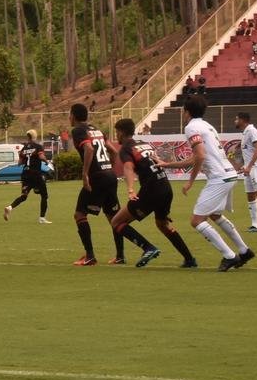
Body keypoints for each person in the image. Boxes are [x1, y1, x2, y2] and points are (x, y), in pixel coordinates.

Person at [157, 96, 255, 272]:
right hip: (228, 175)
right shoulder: (207, 125)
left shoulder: (191, 127)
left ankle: (229, 256)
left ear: (186, 111)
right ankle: (244, 251)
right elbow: (199, 155)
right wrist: (168, 164)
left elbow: (199, 156)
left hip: (218, 177)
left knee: (197, 221)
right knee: (215, 215)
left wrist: (190, 181)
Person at [109, 119, 197, 268]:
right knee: (162, 224)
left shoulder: (125, 149)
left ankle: (148, 248)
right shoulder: (144, 143)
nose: (116, 135)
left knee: (116, 222)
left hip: (151, 190)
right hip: (165, 187)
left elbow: (129, 168)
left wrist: (130, 189)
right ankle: (189, 259)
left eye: (117, 132)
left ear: (122, 132)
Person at [69, 104, 127, 266]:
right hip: (110, 175)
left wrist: (85, 174)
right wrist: (109, 168)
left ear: (73, 116)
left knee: (80, 215)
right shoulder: (96, 129)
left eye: (69, 115)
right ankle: (120, 256)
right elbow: (114, 152)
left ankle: (90, 256)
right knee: (114, 218)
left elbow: (88, 148)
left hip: (97, 177)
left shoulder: (78, 131)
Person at [3, 130, 51, 224]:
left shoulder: (24, 148)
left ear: (28, 136)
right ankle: (42, 218)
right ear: (35, 136)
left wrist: (23, 156)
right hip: (35, 174)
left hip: (25, 174)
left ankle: (10, 207)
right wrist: (46, 161)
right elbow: (41, 157)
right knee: (44, 196)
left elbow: (19, 163)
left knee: (24, 196)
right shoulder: (38, 146)